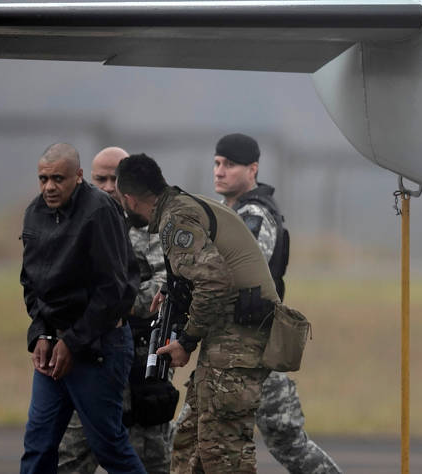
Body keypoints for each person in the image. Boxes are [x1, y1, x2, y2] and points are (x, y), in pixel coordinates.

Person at [116, 153, 279, 473]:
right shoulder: (179, 206)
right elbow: (205, 267)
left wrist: (186, 341)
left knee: (223, 449)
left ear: (130, 199)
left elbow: (215, 281)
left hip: (240, 337)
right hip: (229, 333)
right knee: (189, 442)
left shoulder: (176, 218)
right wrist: (171, 290)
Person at [207, 132, 341, 473]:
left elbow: (234, 270)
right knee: (200, 436)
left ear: (252, 169)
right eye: (217, 163)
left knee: (285, 441)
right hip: (233, 348)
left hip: (254, 347)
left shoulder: (255, 216)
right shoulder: (227, 212)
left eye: (230, 165)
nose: (219, 171)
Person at [20, 143, 146, 473]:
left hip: (100, 348)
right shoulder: (35, 213)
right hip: (54, 348)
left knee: (109, 447)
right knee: (38, 446)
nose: (49, 186)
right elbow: (31, 282)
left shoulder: (100, 211)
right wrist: (43, 334)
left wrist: (71, 343)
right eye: (43, 178)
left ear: (77, 177)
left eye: (58, 178)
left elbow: (113, 292)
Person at [58, 147, 171, 473]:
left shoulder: (149, 227)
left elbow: (167, 288)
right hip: (89, 356)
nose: (108, 186)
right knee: (69, 458)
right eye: (100, 178)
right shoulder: (77, 222)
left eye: (115, 179)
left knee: (147, 460)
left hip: (139, 364)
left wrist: (111, 302)